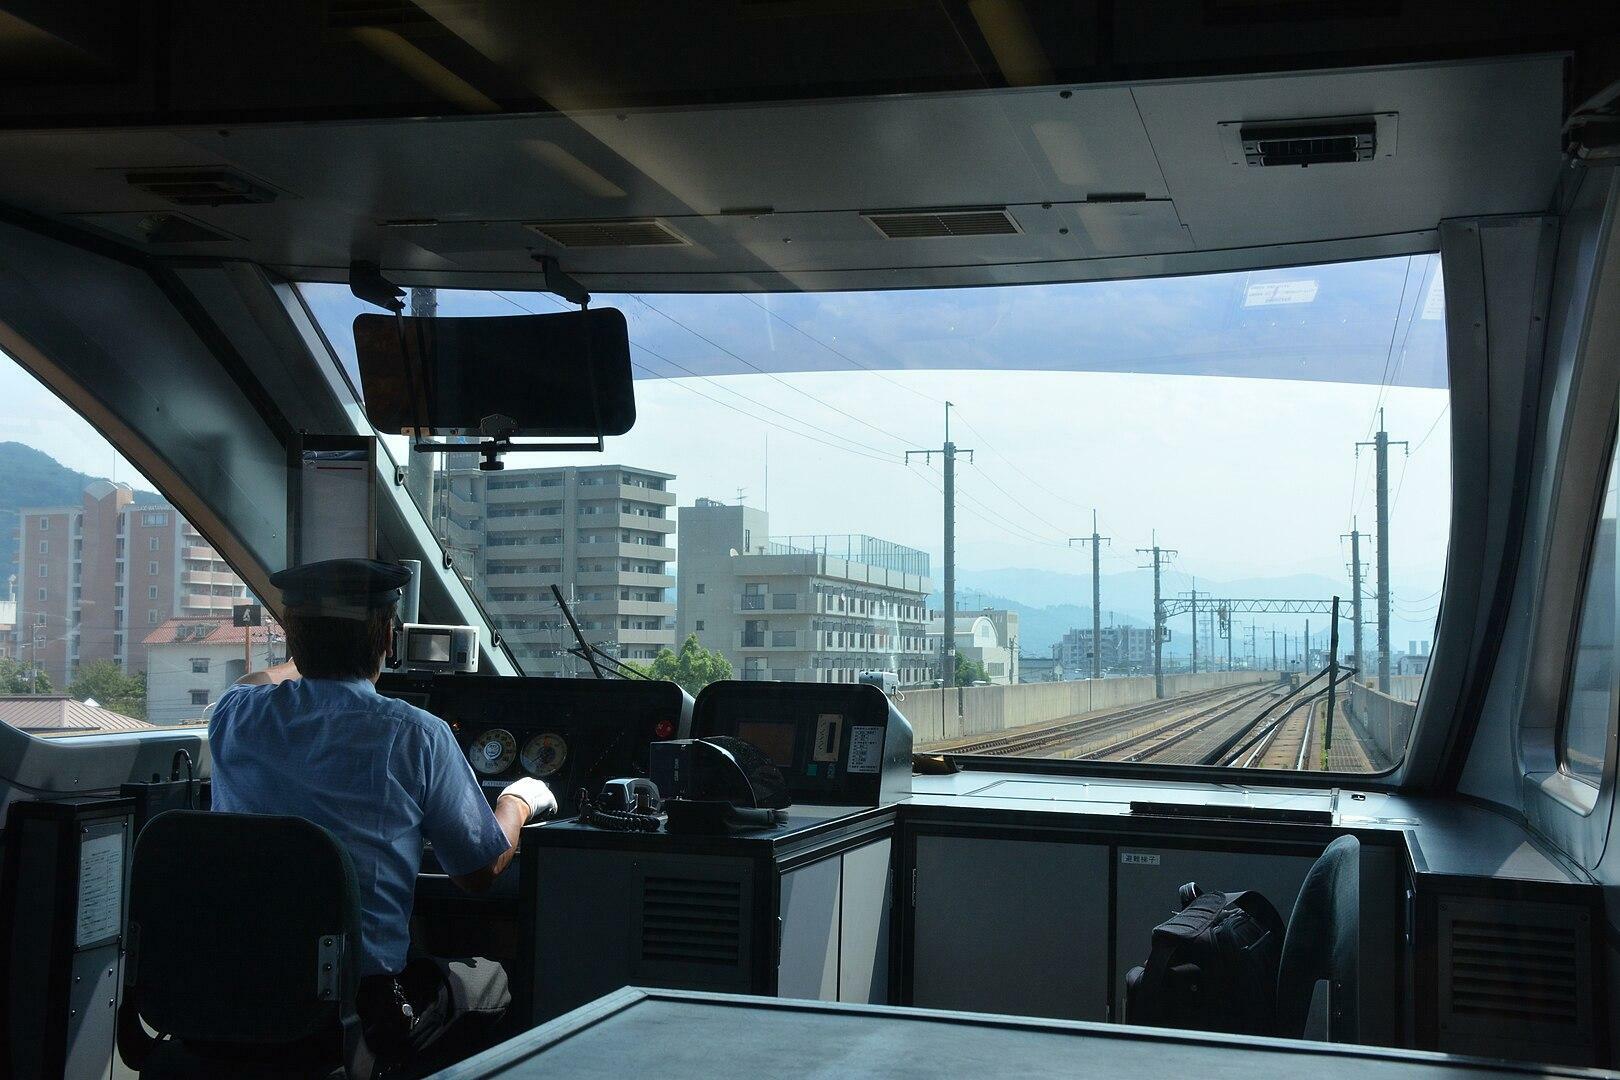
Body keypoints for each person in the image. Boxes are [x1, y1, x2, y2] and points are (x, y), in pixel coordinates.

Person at [209, 558, 555, 1074]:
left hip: (232, 995)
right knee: (499, 980)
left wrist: (309, 650)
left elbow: (258, 677)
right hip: (354, 1012)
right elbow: (479, 871)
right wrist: (518, 803)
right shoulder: (416, 734)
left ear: (293, 639)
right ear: (389, 639)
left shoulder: (235, 714)